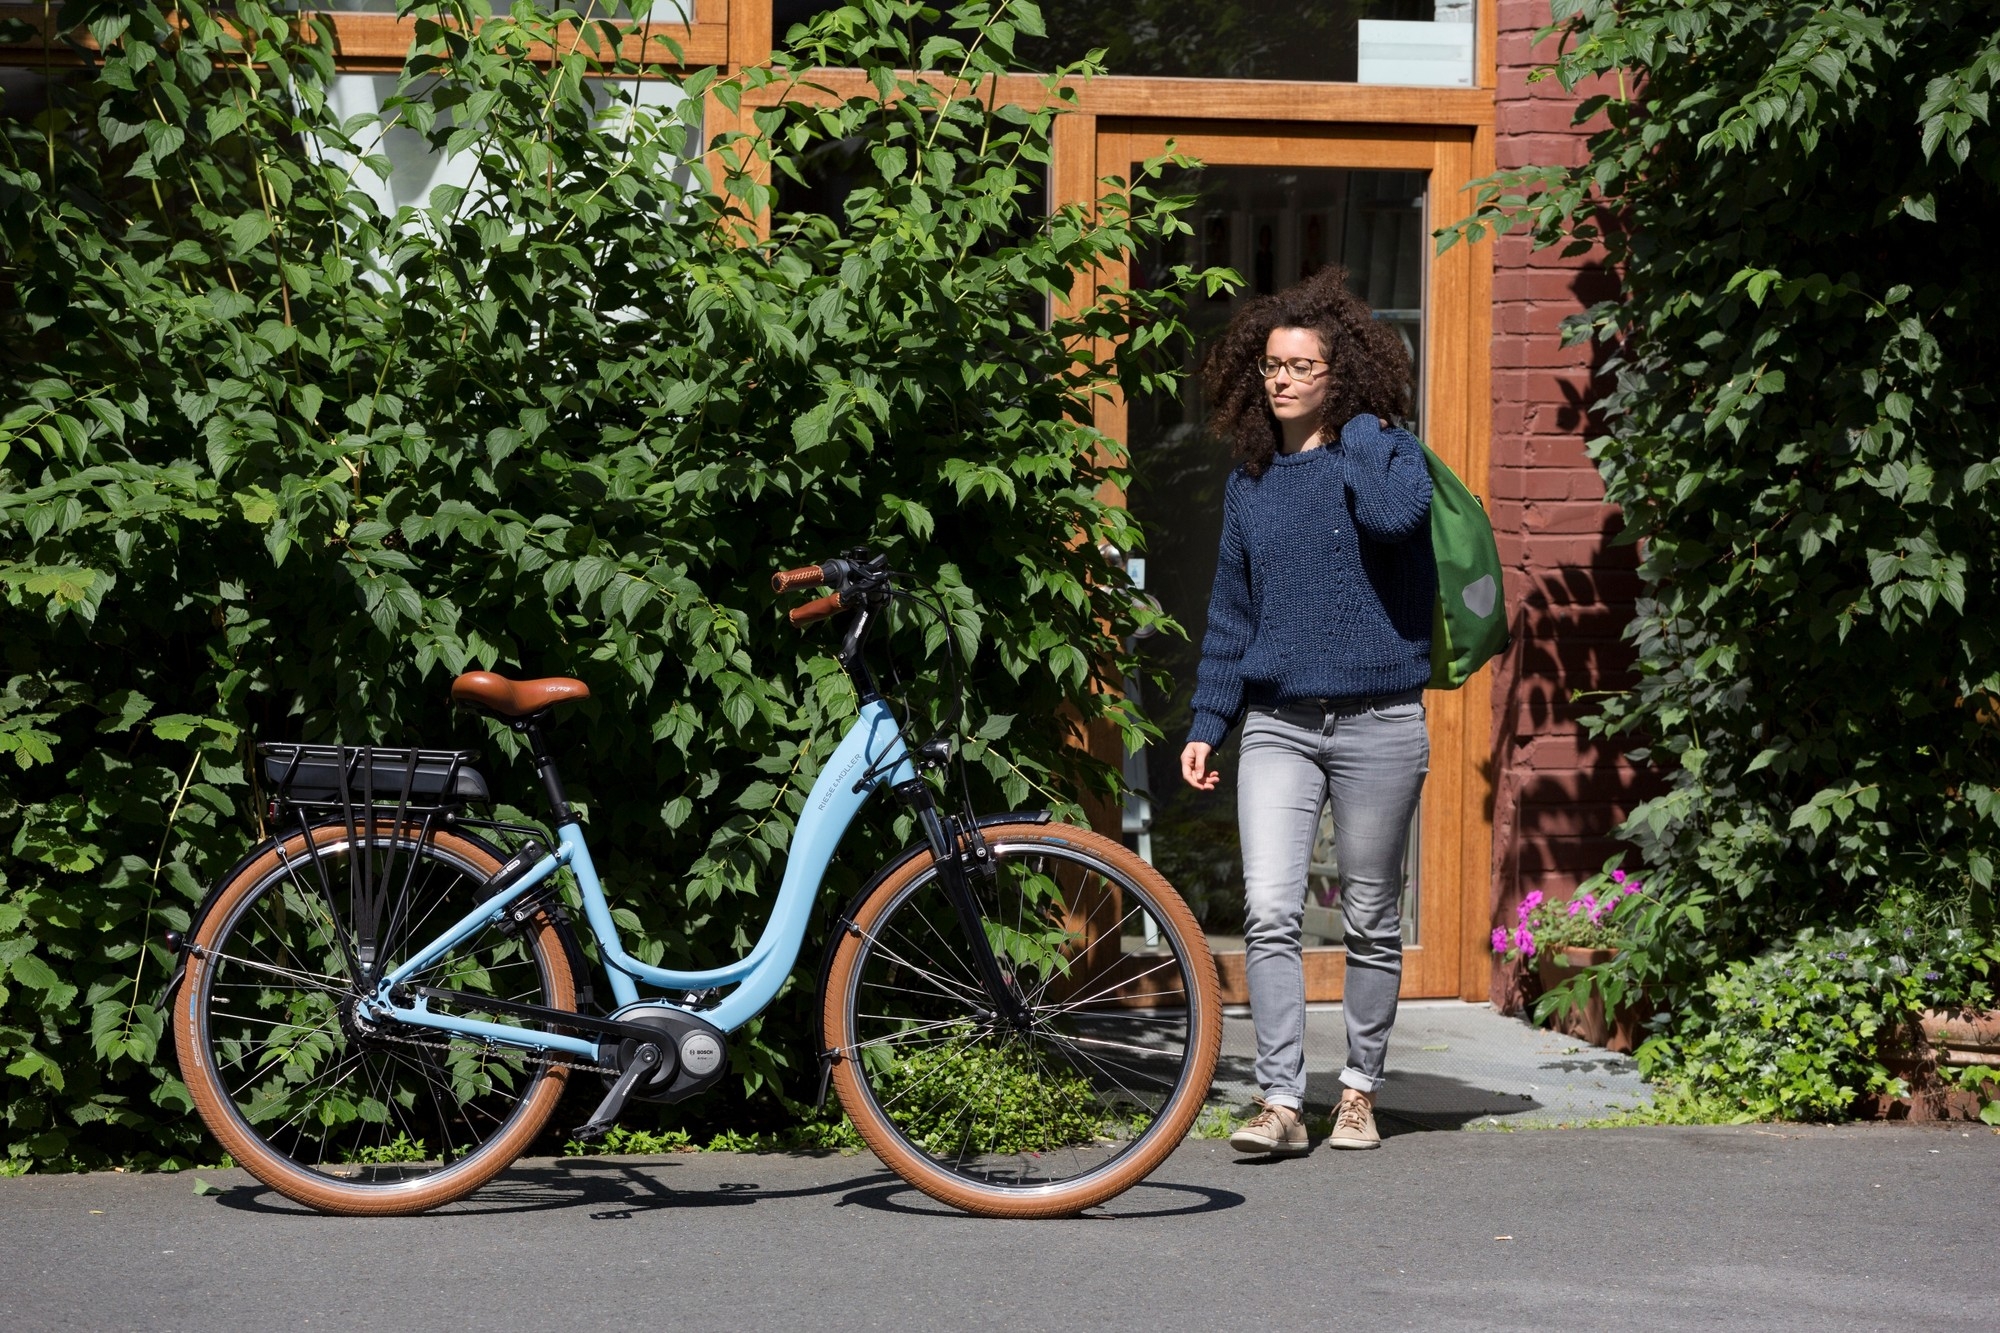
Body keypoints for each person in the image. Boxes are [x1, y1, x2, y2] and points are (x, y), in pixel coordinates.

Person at [1179, 267, 1434, 1155]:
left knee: (1368, 914)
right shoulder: (1251, 484)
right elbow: (1230, 615)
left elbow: (1399, 518)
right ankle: (1282, 1099)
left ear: (1340, 373)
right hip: (1281, 723)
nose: (1280, 380)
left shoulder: (1388, 453)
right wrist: (1209, 721)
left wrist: (1359, 430)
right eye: (1271, 367)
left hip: (1381, 723)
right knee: (1270, 910)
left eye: (1301, 366)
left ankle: (1358, 1088)